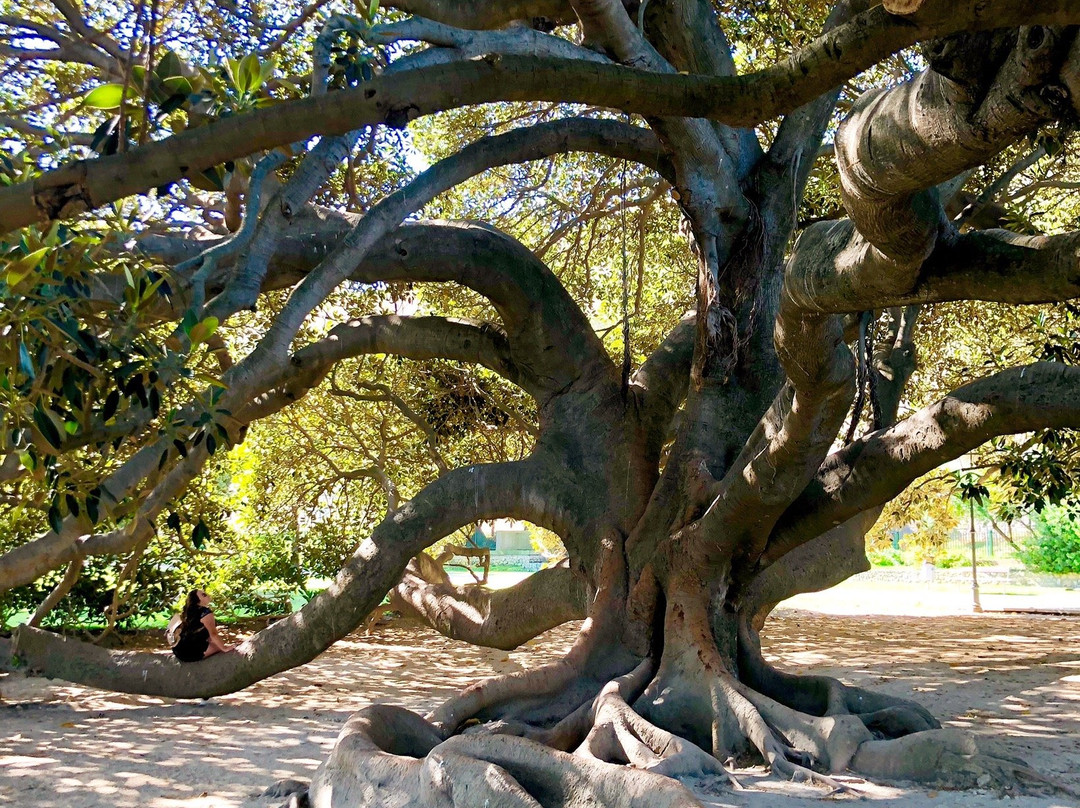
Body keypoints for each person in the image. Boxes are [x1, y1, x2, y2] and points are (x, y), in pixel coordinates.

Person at [171, 588, 235, 662]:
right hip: (190, 653)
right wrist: (224, 648)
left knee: (214, 642)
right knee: (220, 646)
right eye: (204, 595)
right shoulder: (205, 612)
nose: (208, 595)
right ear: (198, 600)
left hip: (178, 652)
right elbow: (213, 634)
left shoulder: (188, 613)